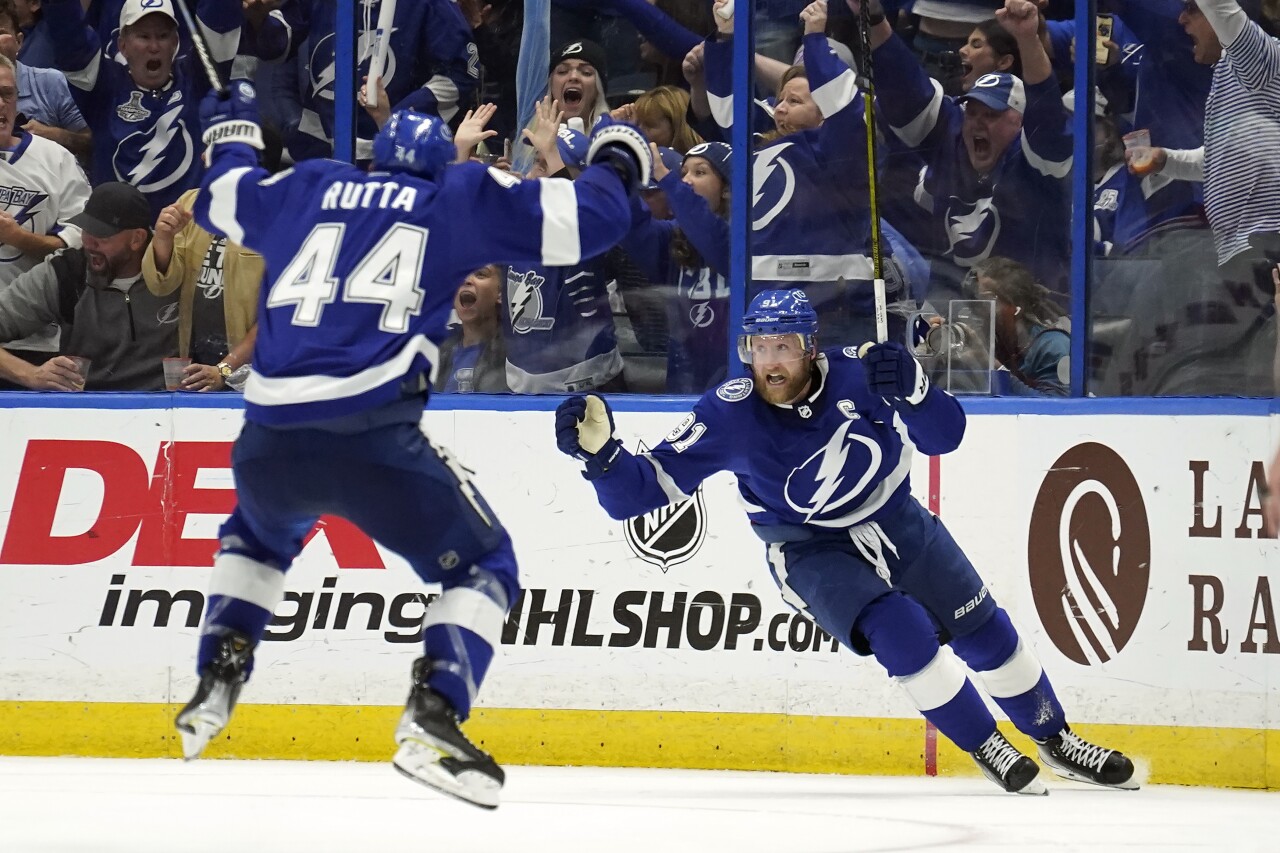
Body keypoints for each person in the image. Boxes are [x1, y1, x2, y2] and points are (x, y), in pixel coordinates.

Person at [173, 76, 651, 810]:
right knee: (485, 561)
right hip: (370, 437)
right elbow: (590, 221)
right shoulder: (453, 195)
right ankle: (435, 712)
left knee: (260, 536)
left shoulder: (311, 184)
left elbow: (221, 194)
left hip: (265, 441)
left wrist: (231, 127)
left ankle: (217, 671)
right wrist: (620, 153)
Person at [554, 288, 1139, 795]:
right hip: (808, 547)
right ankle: (988, 745)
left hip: (895, 517)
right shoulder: (729, 414)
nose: (770, 362)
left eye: (782, 346)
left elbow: (947, 436)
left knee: (983, 630)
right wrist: (601, 458)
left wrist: (915, 393)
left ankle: (1056, 738)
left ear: (810, 347)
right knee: (901, 632)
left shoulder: (867, 374)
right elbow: (638, 495)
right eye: (759, 347)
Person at [44, 0, 240, 217]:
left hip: (183, 237)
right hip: (116, 236)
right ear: (122, 45)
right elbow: (69, 33)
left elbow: (220, 20)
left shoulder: (197, 81)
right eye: (143, 36)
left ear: (175, 42)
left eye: (163, 36)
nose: (154, 46)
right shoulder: (104, 86)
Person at [0, 181, 178, 390]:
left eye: (102, 236)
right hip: (84, 407)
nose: (88, 243)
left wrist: (220, 371)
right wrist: (31, 375)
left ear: (136, 239)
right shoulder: (66, 271)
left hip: (171, 410)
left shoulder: (179, 268)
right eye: (86, 231)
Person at [0, 53, 91, 386]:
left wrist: (19, 237)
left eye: (7, 94)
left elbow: (79, 251)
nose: (1, 104)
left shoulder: (55, 158)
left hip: (37, 340)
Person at [967, 256, 1069, 395]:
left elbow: (1056, 410)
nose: (978, 308)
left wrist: (993, 367)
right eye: (975, 299)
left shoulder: (1053, 346)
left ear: (1016, 306)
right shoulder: (993, 342)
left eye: (986, 300)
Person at [437, 265, 508, 393]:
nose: (467, 280)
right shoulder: (438, 349)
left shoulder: (514, 354)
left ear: (501, 293)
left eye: (480, 274)